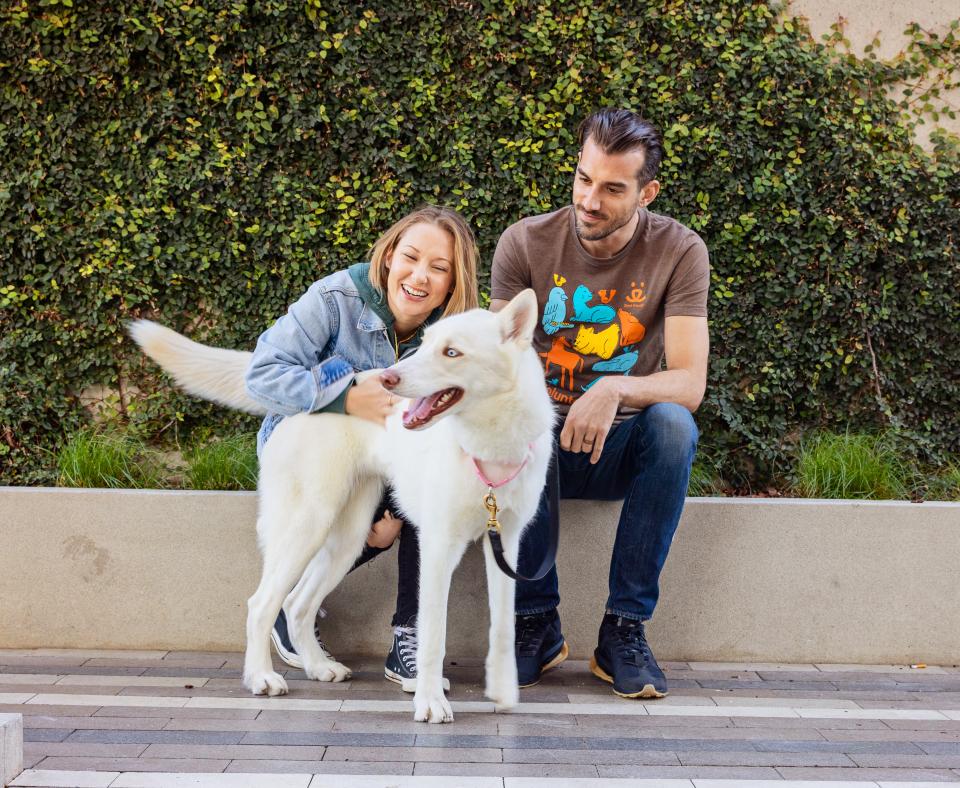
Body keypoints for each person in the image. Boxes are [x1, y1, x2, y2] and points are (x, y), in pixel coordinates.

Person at [490, 108, 710, 699]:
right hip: (539, 446)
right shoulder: (525, 241)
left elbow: (689, 381)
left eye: (613, 188)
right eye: (584, 179)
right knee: (514, 420)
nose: (590, 199)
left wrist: (611, 389)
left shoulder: (679, 250)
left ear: (647, 192)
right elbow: (496, 368)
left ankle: (624, 629)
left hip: (617, 443)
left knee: (672, 425)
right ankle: (535, 621)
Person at [243, 204, 479, 686]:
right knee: (311, 530)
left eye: (439, 268)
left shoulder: (455, 333)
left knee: (414, 507)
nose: (420, 277)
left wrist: (396, 508)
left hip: (395, 459)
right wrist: (345, 395)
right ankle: (259, 651)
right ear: (389, 256)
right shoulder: (336, 297)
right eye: (410, 258)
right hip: (313, 440)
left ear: (454, 282)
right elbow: (260, 377)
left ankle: (402, 639)